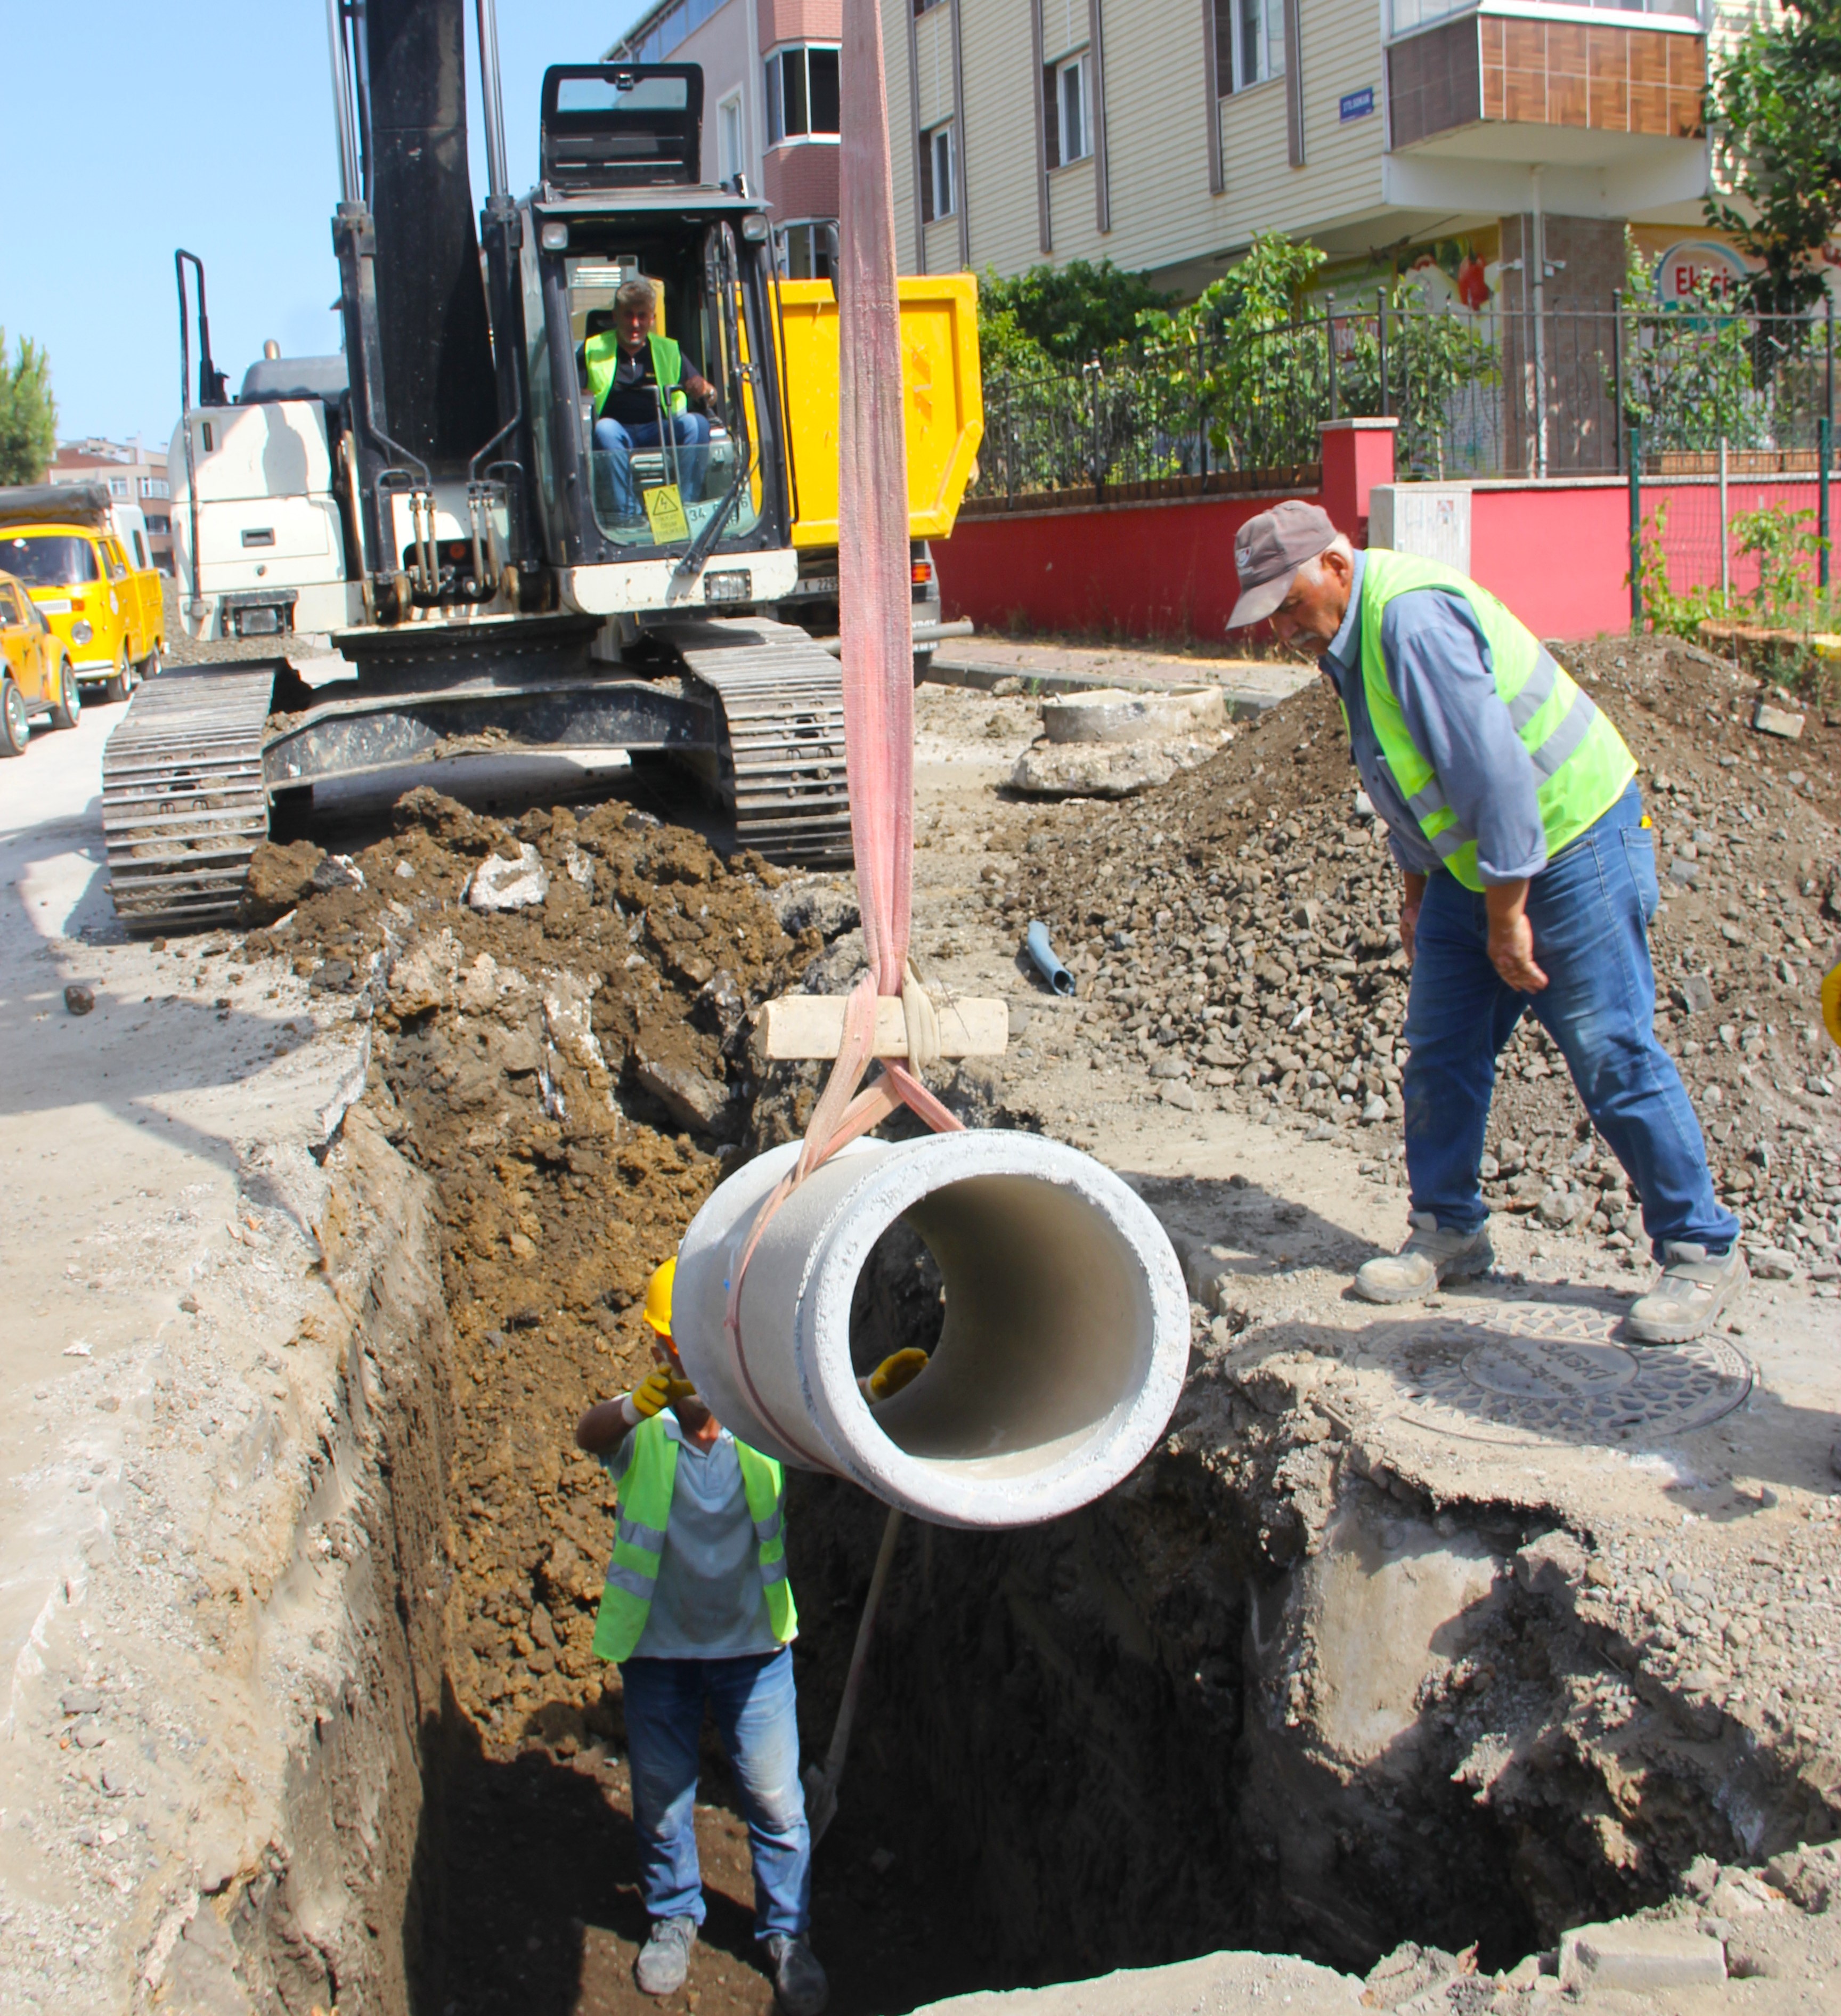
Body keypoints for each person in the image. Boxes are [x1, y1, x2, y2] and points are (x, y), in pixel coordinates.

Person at [1226, 500, 1745, 1344]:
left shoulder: (1411, 624)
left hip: (1572, 839)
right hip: (1473, 864)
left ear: (1335, 566)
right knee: (1442, 1049)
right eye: (1270, 617)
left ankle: (1699, 1248)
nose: (1284, 629)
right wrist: (1417, 892)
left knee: (1609, 1048)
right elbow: (1399, 771)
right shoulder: (1344, 638)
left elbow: (1497, 779)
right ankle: (1450, 1229)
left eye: (1290, 606)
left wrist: (1507, 918)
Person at [575, 1258, 927, 2012]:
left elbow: (823, 1419)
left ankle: (787, 1936)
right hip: (659, 1653)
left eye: (699, 1344)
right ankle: (673, 1919)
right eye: (676, 1349)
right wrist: (638, 1409)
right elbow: (589, 1432)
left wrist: (871, 1396)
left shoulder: (761, 1421)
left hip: (754, 1652)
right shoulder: (645, 1429)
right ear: (663, 1351)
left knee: (775, 1802)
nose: (688, 1360)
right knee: (662, 1799)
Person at [582, 277, 718, 523]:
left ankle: (687, 508)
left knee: (696, 424)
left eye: (643, 316)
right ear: (615, 316)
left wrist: (705, 391)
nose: (636, 324)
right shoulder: (592, 349)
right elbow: (573, 395)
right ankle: (628, 516)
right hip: (617, 429)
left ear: (652, 319)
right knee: (605, 429)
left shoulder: (669, 350)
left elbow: (708, 392)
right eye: (628, 315)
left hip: (659, 429)